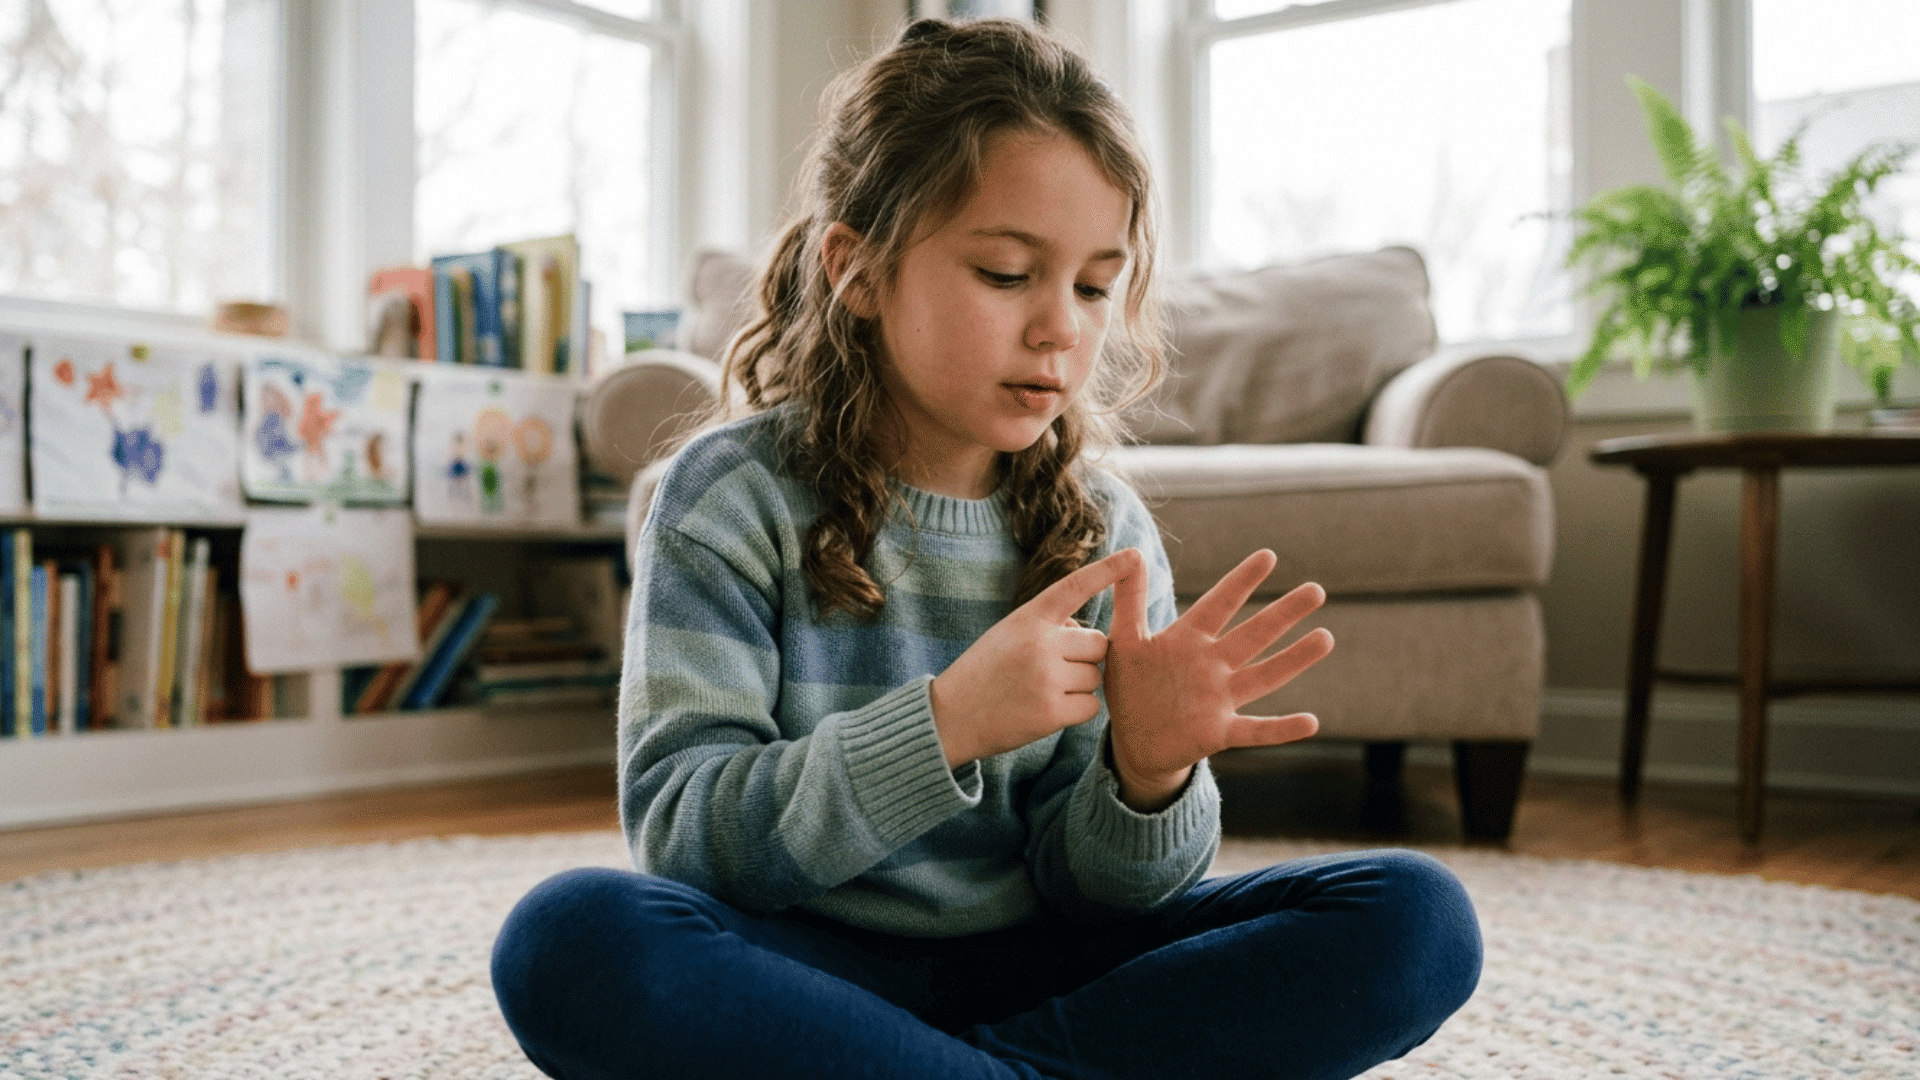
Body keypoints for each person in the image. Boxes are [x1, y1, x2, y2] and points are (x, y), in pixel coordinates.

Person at [492, 17, 1480, 1080]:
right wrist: (949, 723)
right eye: (1009, 274)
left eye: (1095, 286)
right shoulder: (730, 497)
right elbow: (687, 839)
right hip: (805, 970)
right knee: (570, 936)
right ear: (857, 271)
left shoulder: (1104, 534)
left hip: (1048, 974)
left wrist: (1148, 775)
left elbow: (1100, 894)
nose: (1062, 327)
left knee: (1417, 918)